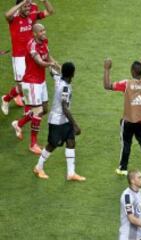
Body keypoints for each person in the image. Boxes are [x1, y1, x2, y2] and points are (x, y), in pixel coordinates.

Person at [103, 58, 141, 178]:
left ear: (132, 72)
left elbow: (107, 86)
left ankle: (123, 169)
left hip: (128, 121)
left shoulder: (126, 84)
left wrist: (106, 69)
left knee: (126, 144)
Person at [11, 23, 60, 154]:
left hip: (41, 82)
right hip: (31, 82)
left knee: (44, 109)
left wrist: (59, 67)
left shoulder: (44, 42)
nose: (44, 33)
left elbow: (48, 57)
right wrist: (50, 65)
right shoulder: (32, 45)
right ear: (35, 33)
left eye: (44, 30)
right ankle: (33, 144)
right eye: (41, 31)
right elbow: (40, 62)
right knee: (37, 112)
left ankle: (19, 124)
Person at [33, 62, 85, 181]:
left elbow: (51, 70)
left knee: (71, 142)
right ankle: (38, 167)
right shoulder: (65, 88)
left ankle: (71, 173)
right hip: (57, 121)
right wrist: (75, 124)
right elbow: (64, 108)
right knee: (52, 145)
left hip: (64, 120)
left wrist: (54, 65)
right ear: (72, 74)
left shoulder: (58, 78)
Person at [1, 0, 54, 114]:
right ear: (19, 7)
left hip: (31, 55)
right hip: (19, 57)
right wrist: (21, 4)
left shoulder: (32, 15)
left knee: (28, 83)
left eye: (29, 6)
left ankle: (27, 108)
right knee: (21, 86)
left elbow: (50, 11)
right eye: (25, 7)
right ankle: (6, 99)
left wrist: (45, 1)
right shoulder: (13, 19)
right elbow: (7, 15)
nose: (28, 9)